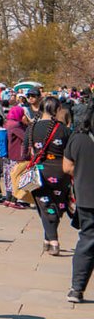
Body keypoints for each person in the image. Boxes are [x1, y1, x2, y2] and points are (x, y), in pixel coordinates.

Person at [27, 97, 72, 256]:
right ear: (57, 109)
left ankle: (54, 241)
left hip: (40, 172)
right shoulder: (65, 130)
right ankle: (48, 239)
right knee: (58, 206)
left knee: (45, 205)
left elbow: (28, 151)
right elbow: (71, 151)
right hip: (62, 172)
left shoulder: (31, 128)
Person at [61, 105, 94, 302]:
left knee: (87, 241)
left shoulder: (78, 138)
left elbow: (67, 167)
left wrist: (82, 173)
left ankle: (76, 288)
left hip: (87, 197)